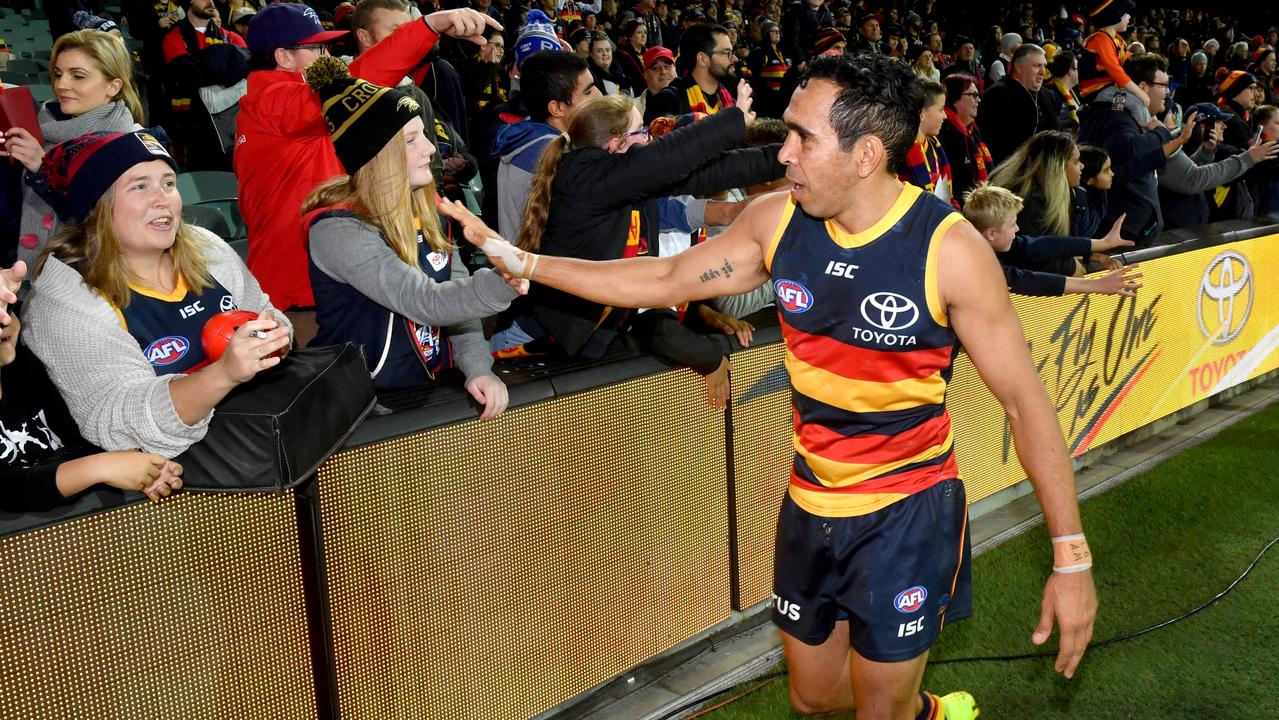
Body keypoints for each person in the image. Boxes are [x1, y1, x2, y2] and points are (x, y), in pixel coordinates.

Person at [464, 53, 1097, 720]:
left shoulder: (949, 251)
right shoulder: (776, 220)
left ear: (864, 155)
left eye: (802, 138)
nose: (782, 153)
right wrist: (525, 261)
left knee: (877, 711)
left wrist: (1070, 555)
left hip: (909, 513)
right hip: (810, 503)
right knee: (813, 696)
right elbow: (664, 279)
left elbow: (1025, 405)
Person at [23, 129, 292, 457]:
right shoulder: (68, 301)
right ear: (98, 207)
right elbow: (116, 424)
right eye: (139, 186)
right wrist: (222, 375)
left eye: (168, 183)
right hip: (135, 490)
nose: (162, 198)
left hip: (249, 441)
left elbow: (266, 312)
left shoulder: (207, 249)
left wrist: (275, 338)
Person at [234, 4, 501, 328]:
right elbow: (360, 85)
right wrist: (428, 26)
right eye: (317, 48)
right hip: (301, 302)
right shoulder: (272, 103)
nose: (327, 57)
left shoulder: (289, 110)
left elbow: (383, 95)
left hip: (336, 286)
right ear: (283, 57)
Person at [494, 87, 781, 360]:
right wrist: (730, 121)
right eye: (641, 131)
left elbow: (716, 171)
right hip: (529, 343)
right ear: (615, 144)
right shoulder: (583, 178)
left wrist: (786, 158)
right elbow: (665, 159)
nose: (649, 139)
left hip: (581, 344)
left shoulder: (627, 182)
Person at [300, 59, 517, 414]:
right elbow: (424, 301)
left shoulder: (429, 212)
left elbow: (458, 305)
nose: (431, 149)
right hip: (358, 405)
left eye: (426, 135)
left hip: (420, 388)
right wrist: (508, 277)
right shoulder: (339, 228)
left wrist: (478, 368)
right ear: (378, 155)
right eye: (412, 140)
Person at [1, 30, 144, 280]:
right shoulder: (38, 128)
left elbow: (104, 228)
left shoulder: (132, 144)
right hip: (24, 279)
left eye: (77, 76)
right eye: (58, 74)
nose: (61, 85)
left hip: (96, 281)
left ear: (113, 86)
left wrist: (43, 171)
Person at [1077, 53, 1192, 244]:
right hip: (1122, 235)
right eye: (1163, 85)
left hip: (1127, 232)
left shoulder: (1118, 109)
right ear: (1143, 87)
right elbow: (1128, 148)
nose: (1169, 92)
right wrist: (1163, 134)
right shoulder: (1118, 117)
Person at [492, 50, 599, 241]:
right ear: (557, 108)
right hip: (544, 268)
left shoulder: (525, 138)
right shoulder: (553, 153)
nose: (598, 99)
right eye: (588, 91)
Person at [963, 185, 1142, 297]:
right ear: (992, 234)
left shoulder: (987, 244)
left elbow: (1042, 245)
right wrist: (1094, 285)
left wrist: (1102, 243)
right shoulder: (974, 265)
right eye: (1012, 224)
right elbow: (1027, 280)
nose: (1017, 229)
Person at [160, 0, 248, 170]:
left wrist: (207, 64)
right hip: (191, 128)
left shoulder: (232, 36)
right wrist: (227, 61)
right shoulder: (173, 38)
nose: (210, 2)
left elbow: (247, 71)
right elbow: (187, 75)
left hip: (231, 126)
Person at [977, 43, 1061, 166]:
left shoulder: (1047, 95)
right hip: (1009, 172)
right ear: (1019, 67)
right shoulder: (997, 94)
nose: (1043, 72)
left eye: (1044, 66)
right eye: (1037, 66)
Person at [989, 130, 1080, 241]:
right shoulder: (1030, 201)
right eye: (1076, 162)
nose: (1082, 166)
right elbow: (1035, 253)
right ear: (1057, 168)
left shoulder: (1067, 194)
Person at [644, 23, 736, 123]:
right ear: (702, 59)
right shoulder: (667, 101)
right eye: (727, 53)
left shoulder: (728, 99)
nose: (734, 59)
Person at [1077, 0, 1147, 108]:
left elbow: (1125, 60)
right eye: (1125, 14)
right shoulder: (1100, 39)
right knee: (1137, 104)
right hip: (1096, 90)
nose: (1129, 17)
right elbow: (1115, 70)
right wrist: (1140, 92)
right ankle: (1145, 125)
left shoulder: (1117, 40)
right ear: (1114, 16)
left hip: (1111, 88)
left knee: (1121, 110)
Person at [898, 80, 955, 208]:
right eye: (941, 110)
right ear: (922, 114)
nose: (945, 116)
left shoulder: (935, 146)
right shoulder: (901, 154)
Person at [938, 73, 991, 206]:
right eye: (973, 95)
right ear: (954, 98)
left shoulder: (973, 131)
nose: (978, 100)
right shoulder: (945, 134)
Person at [1073, 145, 1111, 237]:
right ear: (1089, 179)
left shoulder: (1099, 195)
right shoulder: (1078, 201)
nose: (1112, 174)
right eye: (1106, 171)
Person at [634, 45, 675, 119]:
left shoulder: (693, 99)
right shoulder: (633, 110)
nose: (663, 71)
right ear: (645, 75)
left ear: (675, 69)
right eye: (655, 68)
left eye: (667, 66)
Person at [1043, 50, 1081, 130]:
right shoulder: (1052, 94)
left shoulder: (1071, 91)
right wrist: (1070, 123)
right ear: (1070, 71)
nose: (1079, 72)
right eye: (1077, 68)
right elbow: (1049, 124)